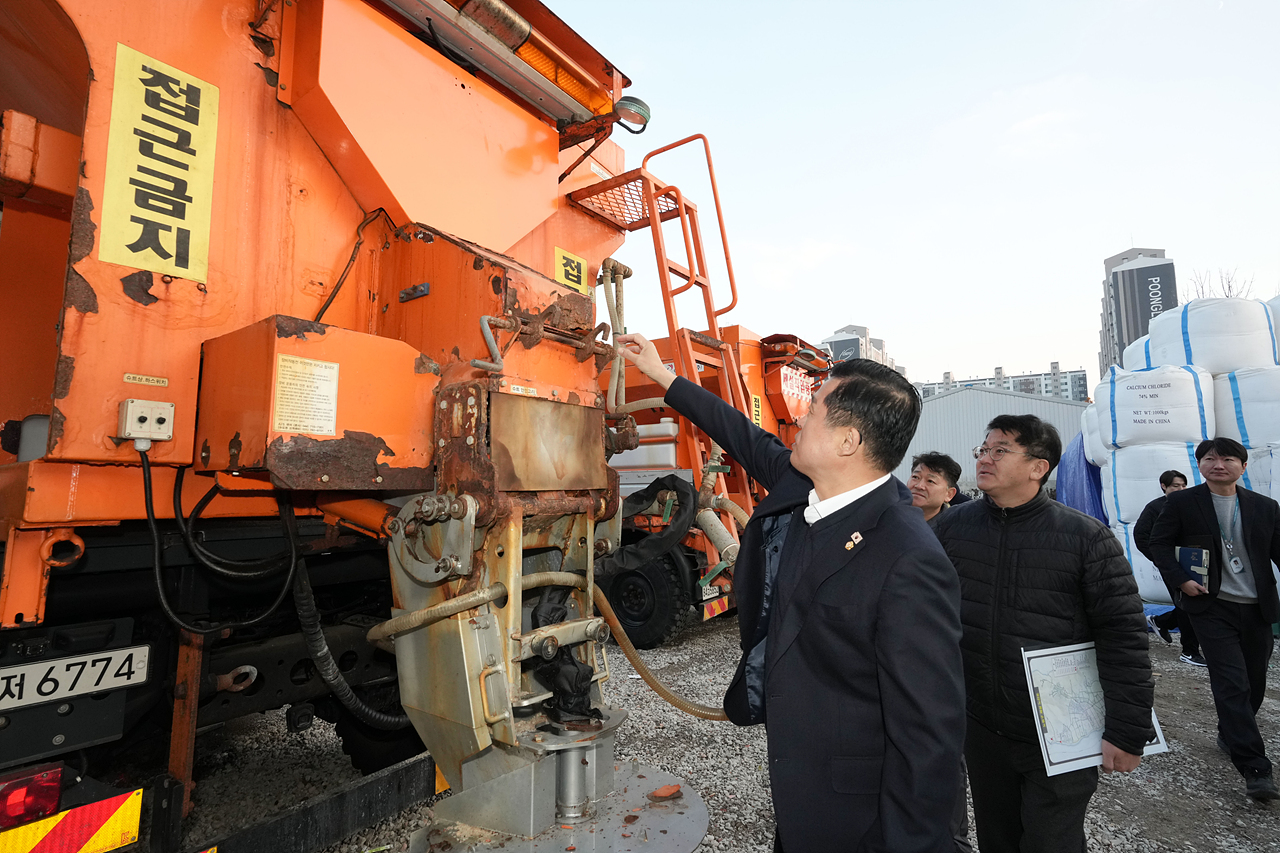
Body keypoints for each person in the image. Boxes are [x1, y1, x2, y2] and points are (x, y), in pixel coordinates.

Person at [615, 333, 965, 853]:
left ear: (848, 441)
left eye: (815, 409)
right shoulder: (803, 487)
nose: (799, 418)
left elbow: (929, 731)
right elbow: (742, 434)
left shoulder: (907, 556)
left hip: (859, 818)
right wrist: (664, 377)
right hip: (800, 794)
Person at [932, 414, 1154, 853]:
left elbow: (1123, 637)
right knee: (997, 835)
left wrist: (1127, 730)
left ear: (1039, 467)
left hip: (1060, 726)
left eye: (1000, 450)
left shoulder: (1085, 538)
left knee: (1052, 839)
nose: (985, 458)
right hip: (982, 722)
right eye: (983, 449)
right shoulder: (951, 529)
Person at [1148, 437, 1280, 802]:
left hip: (1256, 607)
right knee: (1231, 682)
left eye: (1227, 459)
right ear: (1200, 465)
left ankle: (1231, 730)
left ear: (1243, 466)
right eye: (1210, 458)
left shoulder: (1265, 507)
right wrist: (1180, 580)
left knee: (1254, 683)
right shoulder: (1181, 503)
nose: (1218, 464)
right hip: (1211, 606)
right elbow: (1158, 543)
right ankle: (1255, 768)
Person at [1133, 469, 1204, 666]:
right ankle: (1189, 651)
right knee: (1186, 603)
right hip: (1171, 565)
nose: (1180, 489)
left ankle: (1162, 622)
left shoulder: (1191, 504)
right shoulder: (1155, 508)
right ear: (1164, 486)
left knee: (1193, 601)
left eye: (1183, 485)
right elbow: (1141, 536)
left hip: (1191, 561)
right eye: (1175, 486)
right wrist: (1160, 559)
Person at [909, 451, 962, 526]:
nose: (919, 486)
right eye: (915, 477)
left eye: (930, 481)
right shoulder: (892, 517)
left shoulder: (955, 528)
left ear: (949, 494)